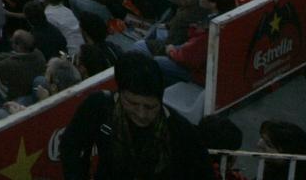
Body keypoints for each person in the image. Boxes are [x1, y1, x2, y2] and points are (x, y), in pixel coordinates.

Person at [60, 51, 211, 180]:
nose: (141, 114)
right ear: (120, 94)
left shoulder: (180, 131)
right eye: (132, 104)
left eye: (150, 107)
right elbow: (70, 146)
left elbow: (202, 172)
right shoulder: (100, 107)